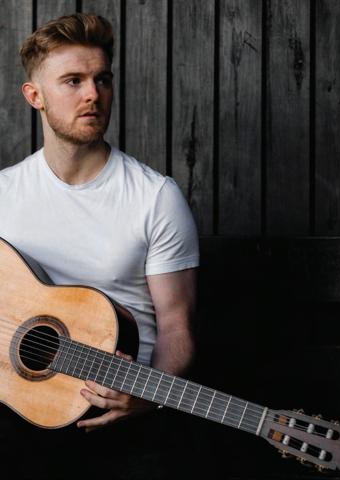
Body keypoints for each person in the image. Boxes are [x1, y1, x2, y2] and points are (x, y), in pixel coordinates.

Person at [0, 11, 198, 457]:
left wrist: (148, 396)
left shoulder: (155, 197)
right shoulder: (4, 194)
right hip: (17, 409)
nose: (93, 94)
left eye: (102, 80)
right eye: (73, 81)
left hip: (118, 417)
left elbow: (176, 325)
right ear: (35, 96)